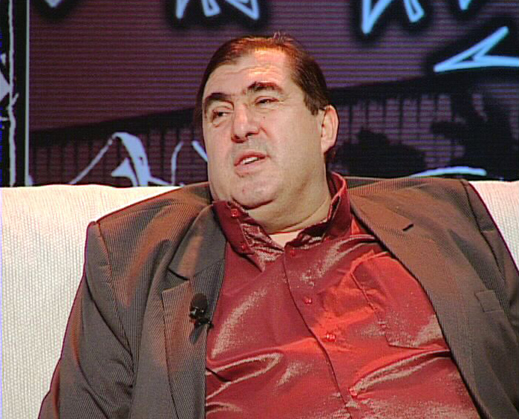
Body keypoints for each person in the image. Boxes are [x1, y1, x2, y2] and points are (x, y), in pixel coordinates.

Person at [40, 34, 518, 418]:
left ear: (324, 127)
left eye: (264, 100)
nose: (240, 127)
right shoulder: (131, 258)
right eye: (219, 113)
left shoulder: (446, 215)